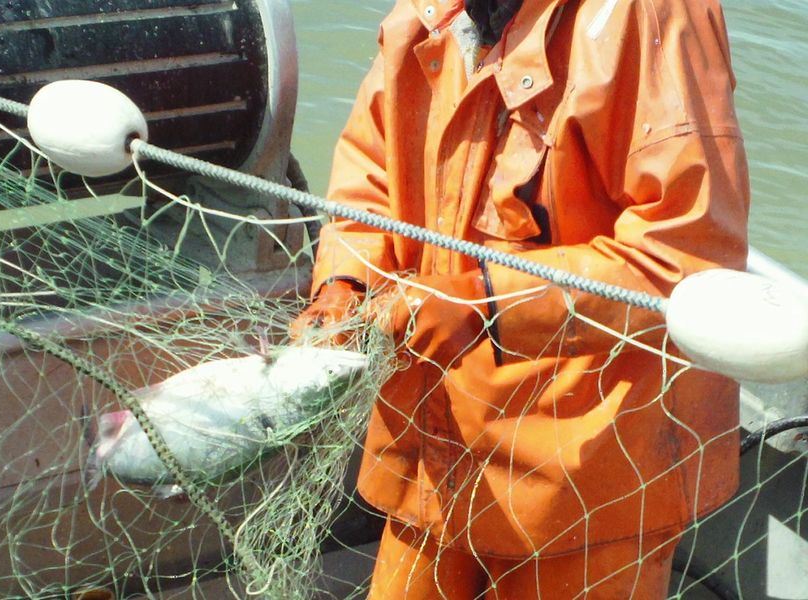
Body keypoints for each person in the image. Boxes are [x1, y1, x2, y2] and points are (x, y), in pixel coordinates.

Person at [291, 0, 749, 597]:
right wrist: (344, 282)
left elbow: (688, 262)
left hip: (588, 477)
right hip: (436, 443)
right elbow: (371, 167)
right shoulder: (430, 13)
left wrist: (488, 303)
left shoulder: (653, 16)